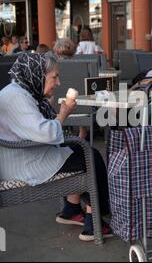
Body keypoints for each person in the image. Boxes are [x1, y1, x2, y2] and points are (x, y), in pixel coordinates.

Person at [0, 53, 112, 242]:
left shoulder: (19, 91)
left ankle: (71, 210)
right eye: (54, 77)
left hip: (24, 153)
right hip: (25, 162)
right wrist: (64, 113)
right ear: (37, 74)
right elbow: (47, 133)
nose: (58, 82)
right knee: (90, 157)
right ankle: (95, 223)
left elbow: (34, 128)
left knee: (80, 151)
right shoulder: (16, 98)